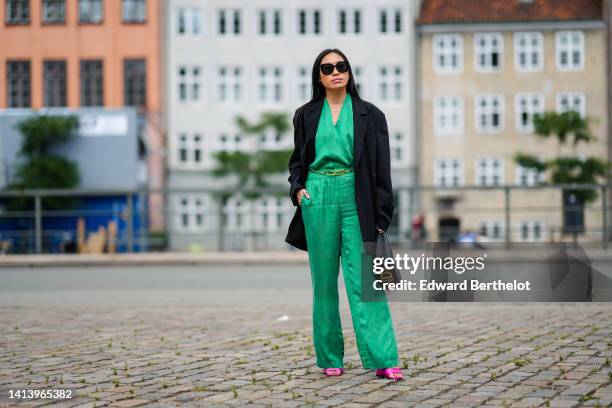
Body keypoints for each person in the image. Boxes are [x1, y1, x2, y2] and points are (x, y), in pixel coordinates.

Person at [285, 48, 403, 381]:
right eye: (328, 68)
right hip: (317, 195)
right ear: (318, 76)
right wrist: (298, 188)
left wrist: (383, 215)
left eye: (342, 66)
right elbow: (298, 162)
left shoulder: (371, 115)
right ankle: (329, 357)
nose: (336, 71)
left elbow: (382, 168)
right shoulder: (305, 115)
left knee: (367, 282)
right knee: (323, 283)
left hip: (357, 196)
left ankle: (384, 358)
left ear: (349, 72)